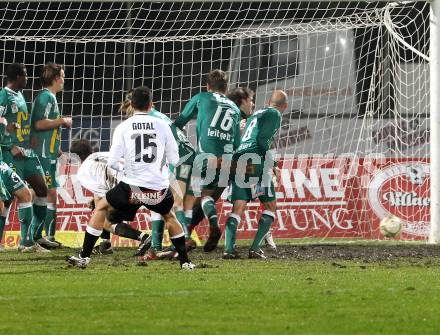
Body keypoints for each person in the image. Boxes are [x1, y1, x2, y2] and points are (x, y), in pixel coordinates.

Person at [67, 86, 194, 269]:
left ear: (132, 105)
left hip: (131, 188)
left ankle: (84, 256)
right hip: (157, 189)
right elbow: (175, 159)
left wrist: (126, 167)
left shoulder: (123, 127)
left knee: (100, 207)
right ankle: (186, 262)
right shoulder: (163, 126)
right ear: (151, 104)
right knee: (170, 216)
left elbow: (111, 162)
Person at [119, 91, 198, 259]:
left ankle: (180, 240)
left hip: (178, 159)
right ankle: (159, 246)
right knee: (163, 200)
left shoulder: (145, 121)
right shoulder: (158, 116)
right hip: (188, 156)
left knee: (169, 200)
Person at [174, 69, 241, 252]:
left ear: (207, 86)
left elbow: (179, 123)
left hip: (204, 158)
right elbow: (238, 143)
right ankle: (188, 234)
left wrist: (180, 144)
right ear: (226, 88)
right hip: (227, 162)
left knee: (189, 199)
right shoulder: (235, 108)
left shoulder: (202, 97)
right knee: (206, 198)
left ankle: (199, 231)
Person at [222, 90, 287, 259]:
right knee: (270, 205)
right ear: (284, 106)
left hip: (238, 160)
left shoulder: (256, 113)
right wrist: (273, 165)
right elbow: (261, 140)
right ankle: (255, 248)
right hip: (254, 161)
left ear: (268, 101)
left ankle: (228, 249)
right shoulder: (275, 114)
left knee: (238, 207)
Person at [70, 139, 152, 256]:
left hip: (127, 189)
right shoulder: (103, 154)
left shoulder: (82, 172)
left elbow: (103, 199)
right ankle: (105, 244)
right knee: (102, 208)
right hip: (144, 183)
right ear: (90, 149)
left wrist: (97, 205)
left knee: (103, 218)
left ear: (77, 157)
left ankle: (144, 237)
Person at [0, 63, 50, 251]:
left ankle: (35, 235)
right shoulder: (3, 97)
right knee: (9, 198)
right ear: (17, 77)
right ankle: (25, 241)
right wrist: (9, 145)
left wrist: (30, 140)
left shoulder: (20, 95)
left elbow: (19, 123)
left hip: (27, 152)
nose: (28, 79)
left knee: (41, 188)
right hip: (10, 153)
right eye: (26, 75)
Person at [31, 63, 72, 247]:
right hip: (41, 155)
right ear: (55, 79)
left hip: (50, 153)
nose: (63, 80)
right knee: (46, 194)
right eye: (62, 76)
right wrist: (62, 120)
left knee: (51, 195)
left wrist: (57, 148)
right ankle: (37, 236)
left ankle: (48, 237)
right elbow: (38, 124)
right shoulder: (45, 97)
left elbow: (49, 130)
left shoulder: (51, 98)